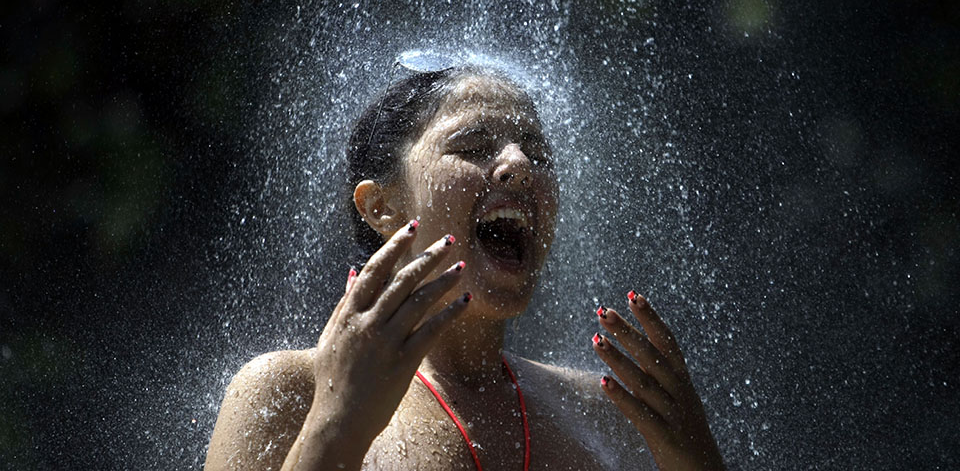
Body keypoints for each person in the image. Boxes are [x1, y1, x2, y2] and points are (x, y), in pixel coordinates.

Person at [204, 55, 726, 471]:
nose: (520, 167)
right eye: (474, 146)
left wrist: (696, 459)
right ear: (380, 206)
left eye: (537, 154)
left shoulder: (605, 411)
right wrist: (338, 422)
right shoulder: (286, 393)